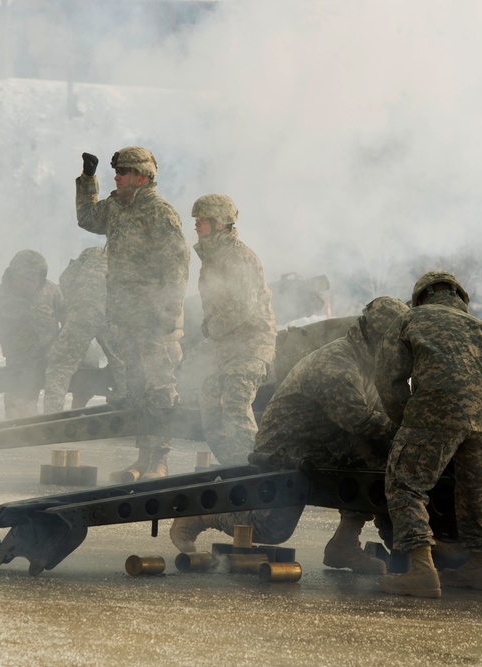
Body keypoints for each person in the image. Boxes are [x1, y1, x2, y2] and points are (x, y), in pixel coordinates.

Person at [169, 297, 409, 575]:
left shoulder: (369, 362)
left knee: (382, 461)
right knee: (271, 529)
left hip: (329, 443)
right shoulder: (337, 365)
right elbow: (359, 420)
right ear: (373, 335)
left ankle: (344, 543)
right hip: (289, 450)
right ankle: (202, 514)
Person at [374, 271, 482, 598]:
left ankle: (421, 571)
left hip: (438, 406)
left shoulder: (412, 318)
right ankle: (481, 566)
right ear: (461, 299)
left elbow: (387, 378)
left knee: (404, 481)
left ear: (421, 298)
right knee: (477, 488)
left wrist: (404, 424)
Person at [75, 147, 190, 480]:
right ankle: (142, 458)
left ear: (142, 176)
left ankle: (159, 460)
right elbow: (86, 218)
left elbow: (177, 266)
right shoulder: (115, 208)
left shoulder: (160, 213)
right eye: (115, 171)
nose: (117, 176)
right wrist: (87, 179)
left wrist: (167, 314)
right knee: (137, 391)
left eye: (123, 171)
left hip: (155, 321)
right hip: (126, 318)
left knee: (160, 390)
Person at [191, 194, 276, 466]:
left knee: (235, 406)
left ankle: (254, 473)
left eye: (202, 220)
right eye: (197, 220)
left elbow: (244, 309)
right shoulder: (212, 259)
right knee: (210, 408)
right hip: (225, 348)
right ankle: (234, 468)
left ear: (220, 224)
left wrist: (210, 328)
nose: (196, 225)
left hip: (252, 346)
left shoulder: (240, 258)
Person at [0, 249, 65, 419]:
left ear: (41, 277)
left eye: (31, 280)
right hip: (19, 365)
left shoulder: (51, 291)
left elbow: (70, 319)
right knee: (17, 418)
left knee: (54, 417)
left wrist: (64, 347)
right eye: (21, 279)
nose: (26, 284)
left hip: (51, 360)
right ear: (11, 276)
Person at [42, 247, 126, 414]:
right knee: (123, 363)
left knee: (60, 366)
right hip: (112, 315)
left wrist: (76, 301)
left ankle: (51, 417)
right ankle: (129, 409)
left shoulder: (93, 252)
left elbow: (65, 279)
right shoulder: (128, 256)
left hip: (82, 313)